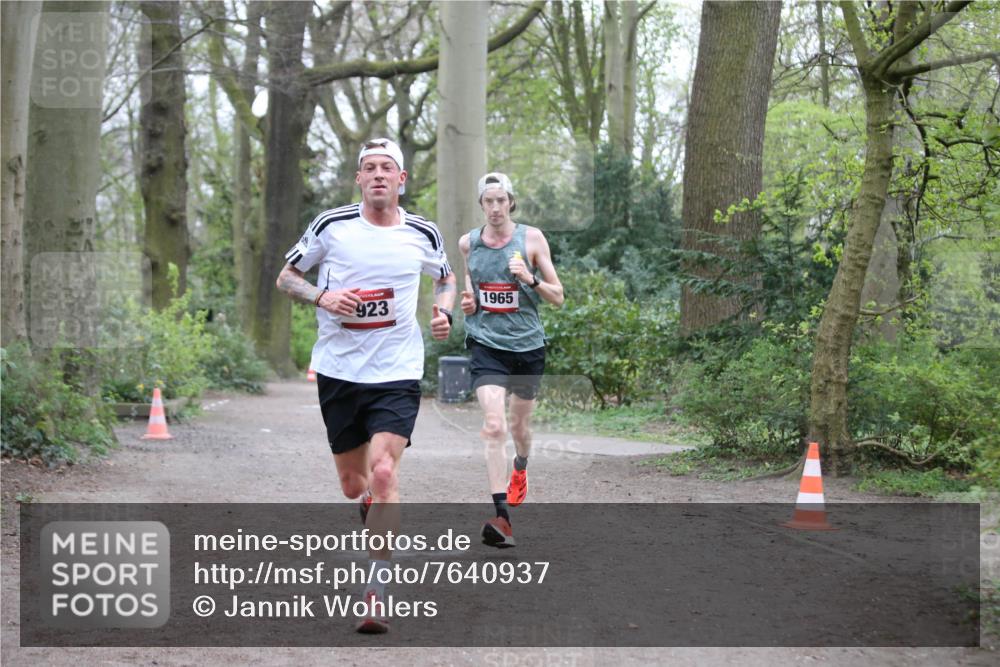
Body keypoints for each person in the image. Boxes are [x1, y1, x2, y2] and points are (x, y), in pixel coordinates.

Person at [276, 138, 456, 633]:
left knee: (382, 473)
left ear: (402, 180)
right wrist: (322, 297)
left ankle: (376, 593)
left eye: (387, 168)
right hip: (339, 370)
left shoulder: (423, 232)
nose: (378, 175)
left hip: (397, 369)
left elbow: (445, 278)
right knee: (354, 485)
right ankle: (369, 506)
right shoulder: (331, 226)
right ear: (359, 179)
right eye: (369, 168)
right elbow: (286, 276)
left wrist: (443, 311)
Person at [459, 172, 564, 548]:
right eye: (488, 201)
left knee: (519, 430)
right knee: (493, 425)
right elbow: (471, 291)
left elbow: (558, 296)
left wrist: (529, 279)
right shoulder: (469, 244)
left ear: (511, 202)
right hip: (487, 346)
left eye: (501, 200)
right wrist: (468, 301)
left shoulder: (531, 239)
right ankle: (501, 517)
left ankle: (520, 467)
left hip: (527, 348)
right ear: (482, 205)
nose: (495, 207)